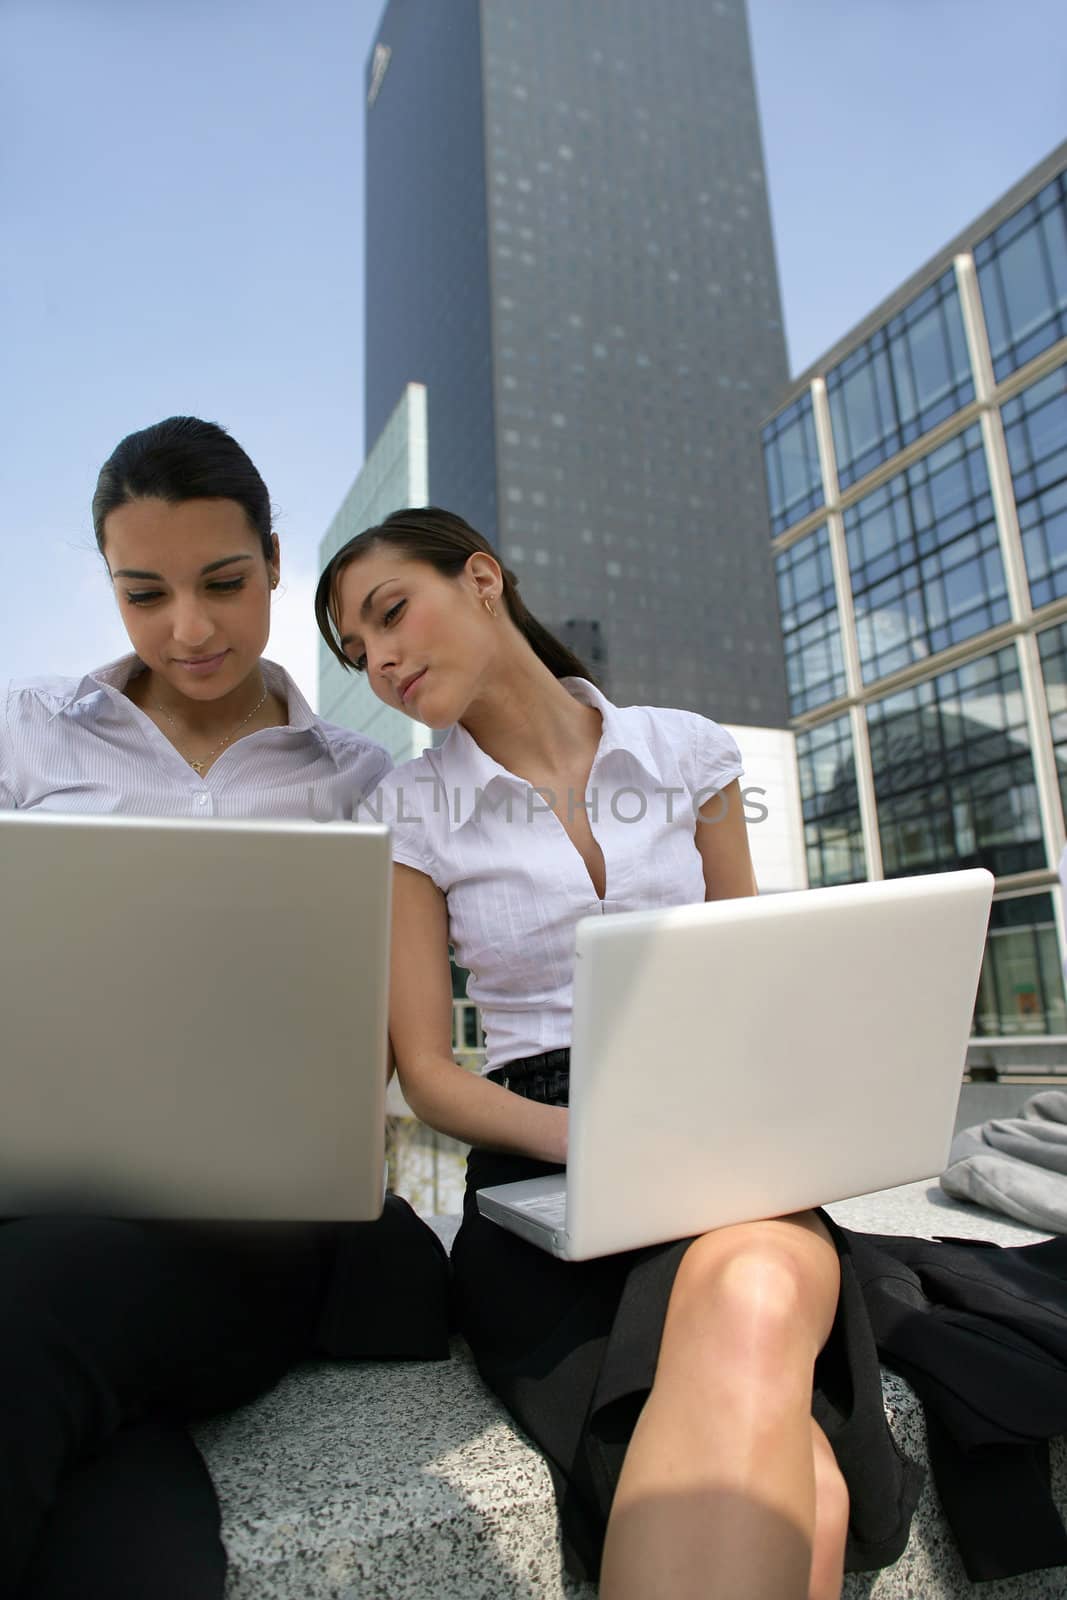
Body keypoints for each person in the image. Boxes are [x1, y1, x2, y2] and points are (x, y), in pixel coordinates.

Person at [314, 506, 926, 1600]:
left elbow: (748, 977)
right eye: (358, 654)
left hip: (719, 1151)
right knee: (810, 1488)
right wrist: (600, 1138)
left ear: (483, 578)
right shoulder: (408, 807)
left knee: (750, 1294)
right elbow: (429, 1073)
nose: (383, 660)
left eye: (391, 614)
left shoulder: (686, 752)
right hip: (537, 1170)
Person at [1, 420, 449, 1600]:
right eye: (143, 594)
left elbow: (396, 1045)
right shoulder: (24, 738)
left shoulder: (359, 784)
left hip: (250, 1239)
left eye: (222, 583)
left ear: (275, 563)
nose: (188, 629)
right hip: (40, 1194)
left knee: (27, 1319)